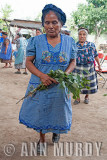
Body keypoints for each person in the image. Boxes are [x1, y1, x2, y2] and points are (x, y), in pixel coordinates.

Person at [19, 4, 77, 153]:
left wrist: (66, 74)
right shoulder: (35, 41)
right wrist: (42, 76)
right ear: (43, 24)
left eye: (54, 22)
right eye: (47, 22)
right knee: (41, 113)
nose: (51, 26)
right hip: (40, 85)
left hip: (59, 87)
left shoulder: (70, 42)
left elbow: (73, 61)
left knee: (58, 112)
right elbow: (28, 62)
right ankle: (42, 139)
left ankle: (56, 131)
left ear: (61, 23)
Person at [73, 27, 101, 105]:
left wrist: (99, 65)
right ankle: (77, 98)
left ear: (86, 35)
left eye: (84, 34)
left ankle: (86, 97)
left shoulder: (91, 45)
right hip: (77, 67)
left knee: (87, 83)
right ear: (78, 35)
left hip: (89, 67)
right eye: (80, 34)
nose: (82, 36)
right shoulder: (74, 45)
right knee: (77, 83)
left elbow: (95, 55)